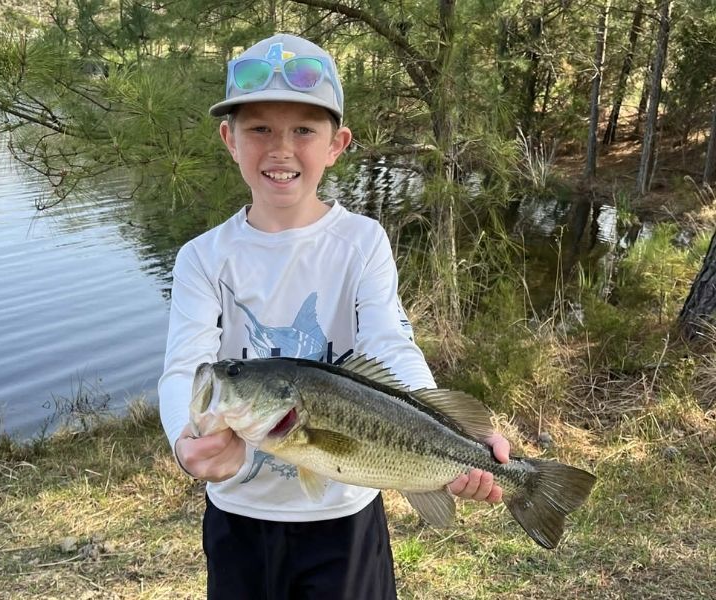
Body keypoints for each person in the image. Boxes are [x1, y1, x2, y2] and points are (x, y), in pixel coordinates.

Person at [158, 33, 511, 600]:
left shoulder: (361, 242)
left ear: (336, 144)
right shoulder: (203, 257)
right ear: (229, 140)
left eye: (303, 130)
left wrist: (459, 437)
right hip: (238, 517)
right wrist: (185, 440)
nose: (281, 149)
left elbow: (389, 345)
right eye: (259, 129)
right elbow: (186, 366)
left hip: (345, 518)